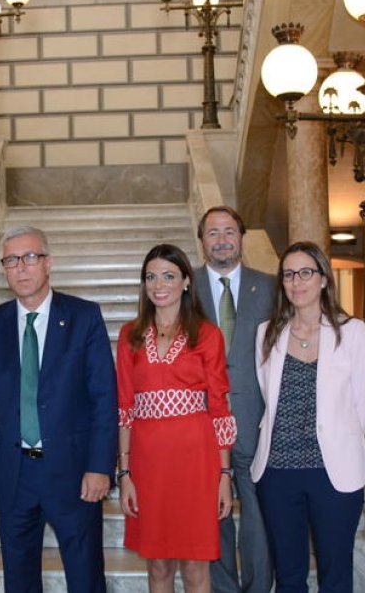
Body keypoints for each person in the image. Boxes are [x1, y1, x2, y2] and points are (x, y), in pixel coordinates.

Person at [0, 225, 118, 593]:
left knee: (86, 577)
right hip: (14, 474)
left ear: (48, 263)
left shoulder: (83, 316)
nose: (21, 268)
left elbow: (104, 397)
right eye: (11, 260)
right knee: (19, 580)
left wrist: (100, 467)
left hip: (74, 473)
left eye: (30, 257)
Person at [252, 241, 365, 593]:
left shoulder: (351, 332)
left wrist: (336, 442)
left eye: (306, 272)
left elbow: (361, 406)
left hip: (333, 473)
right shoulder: (267, 332)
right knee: (289, 576)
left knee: (335, 575)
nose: (296, 282)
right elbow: (268, 396)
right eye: (289, 274)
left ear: (323, 279)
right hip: (277, 472)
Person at [116, 244, 236, 593]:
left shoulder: (208, 334)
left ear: (186, 281)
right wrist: (125, 473)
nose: (158, 284)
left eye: (168, 276)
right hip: (148, 464)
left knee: (197, 567)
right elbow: (124, 409)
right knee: (158, 566)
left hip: (197, 462)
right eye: (151, 277)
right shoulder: (130, 336)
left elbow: (219, 408)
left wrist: (224, 475)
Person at [193, 206, 276, 593]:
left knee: (260, 515)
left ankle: (259, 587)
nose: (222, 240)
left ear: (242, 237)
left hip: (259, 417)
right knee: (211, 515)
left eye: (229, 231)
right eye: (213, 233)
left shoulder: (272, 287)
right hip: (201, 422)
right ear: (201, 240)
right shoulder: (183, 286)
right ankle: (223, 589)